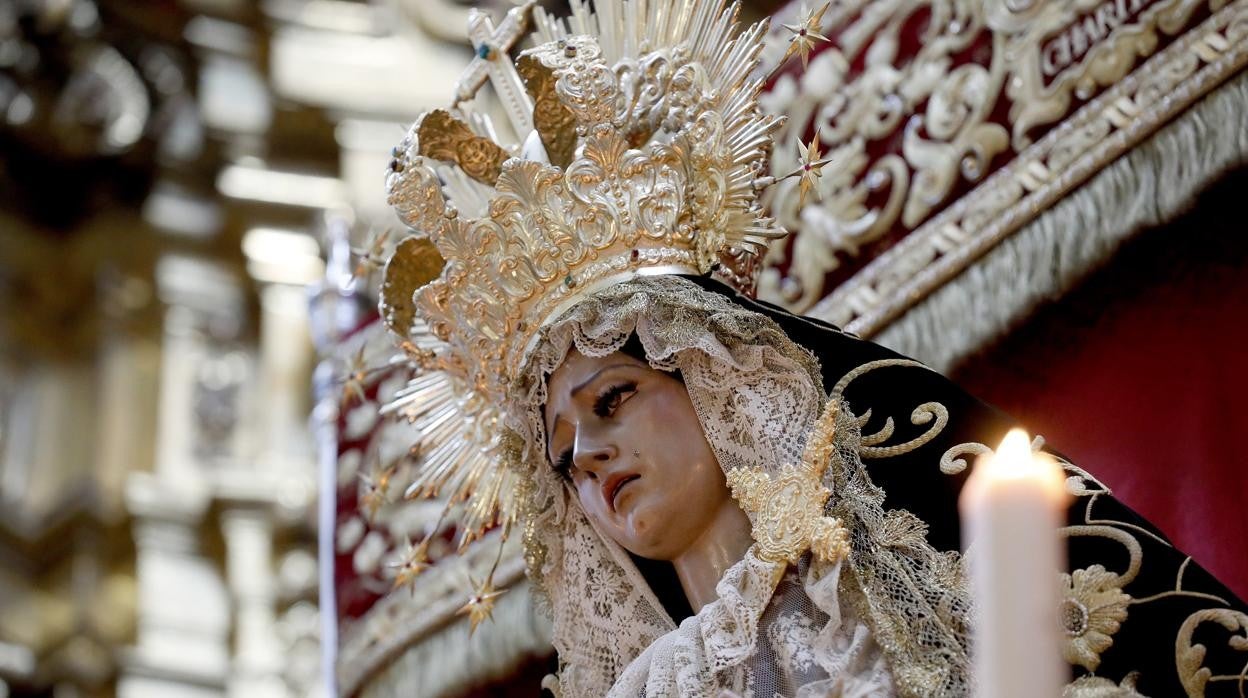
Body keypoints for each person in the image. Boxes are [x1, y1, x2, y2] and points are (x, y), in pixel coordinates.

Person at [374, 0, 1248, 694]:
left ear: (716, 379)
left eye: (611, 400)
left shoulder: (883, 608)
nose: (590, 457)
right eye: (563, 458)